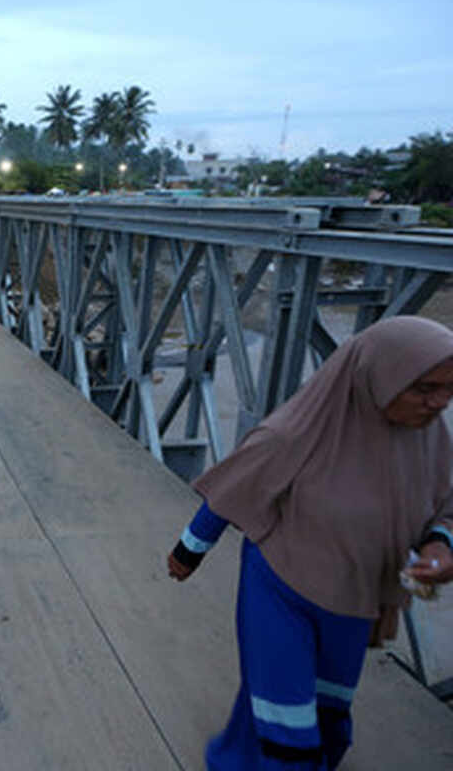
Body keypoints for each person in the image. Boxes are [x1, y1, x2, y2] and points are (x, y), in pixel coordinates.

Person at [166, 315, 453, 770]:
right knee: (290, 735)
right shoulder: (297, 433)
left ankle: (236, 757)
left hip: (353, 604)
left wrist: (441, 547)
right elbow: (233, 488)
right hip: (282, 591)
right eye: (424, 388)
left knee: (324, 710)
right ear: (377, 378)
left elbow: (444, 508)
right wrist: (189, 550)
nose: (440, 402)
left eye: (449, 387)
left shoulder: (431, 440)